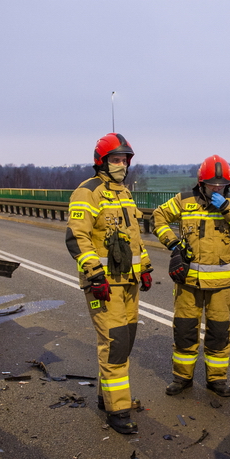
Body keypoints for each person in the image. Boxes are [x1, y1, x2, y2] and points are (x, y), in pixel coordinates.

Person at [65, 133, 152, 434]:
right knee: (115, 345)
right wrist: (94, 275)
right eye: (115, 159)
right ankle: (118, 411)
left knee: (124, 342)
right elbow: (77, 238)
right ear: (101, 161)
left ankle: (108, 397)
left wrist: (147, 267)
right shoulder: (87, 192)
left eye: (125, 160)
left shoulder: (123, 193)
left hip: (128, 283)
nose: (122, 165)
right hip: (103, 286)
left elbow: (133, 236)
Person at [153, 155, 230, 398]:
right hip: (188, 282)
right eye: (212, 185)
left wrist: (226, 208)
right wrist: (174, 245)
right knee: (185, 331)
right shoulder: (184, 201)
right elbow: (158, 217)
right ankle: (182, 378)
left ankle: (216, 380)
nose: (217, 188)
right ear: (201, 183)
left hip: (220, 285)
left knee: (218, 334)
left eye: (221, 185)